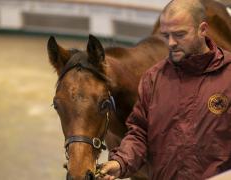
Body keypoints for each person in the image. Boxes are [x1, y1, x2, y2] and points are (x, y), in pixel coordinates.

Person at [98, 0, 231, 179]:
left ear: (203, 30)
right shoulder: (153, 78)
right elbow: (139, 133)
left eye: (179, 34)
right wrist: (120, 163)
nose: (171, 43)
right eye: (165, 35)